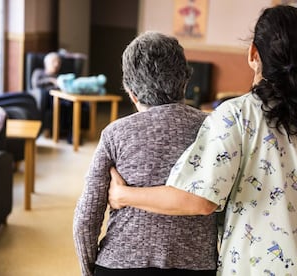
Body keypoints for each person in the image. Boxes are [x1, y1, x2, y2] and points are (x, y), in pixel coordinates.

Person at [108, 5, 297, 275]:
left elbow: (199, 200)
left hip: (258, 266)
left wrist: (123, 195)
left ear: (253, 53)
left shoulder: (237, 115)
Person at [73, 31, 218, 276]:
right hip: (196, 266)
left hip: (120, 264)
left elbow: (86, 219)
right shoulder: (213, 128)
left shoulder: (115, 134)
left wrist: (91, 271)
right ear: (185, 82)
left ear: (131, 92)